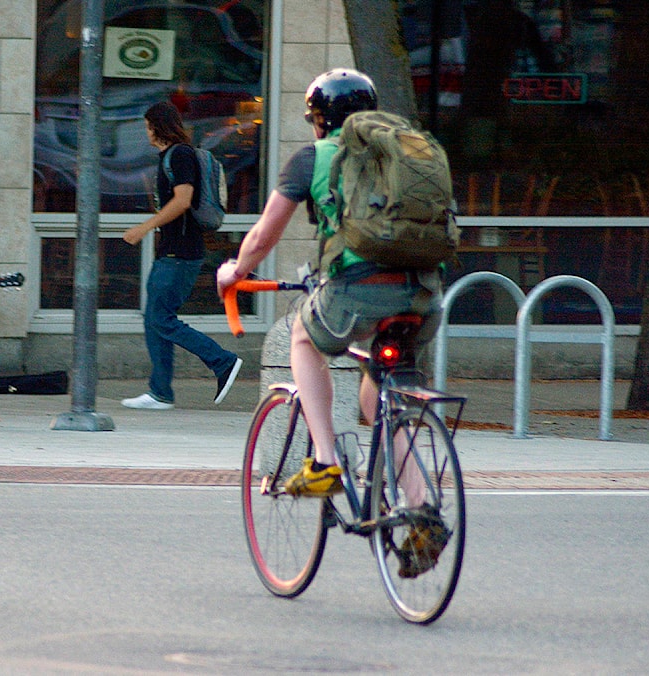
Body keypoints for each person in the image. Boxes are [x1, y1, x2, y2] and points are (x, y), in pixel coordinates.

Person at [216, 69, 444, 499]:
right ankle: (420, 508)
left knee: (303, 335)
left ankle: (325, 461)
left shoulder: (313, 157)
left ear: (320, 119)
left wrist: (235, 272)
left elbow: (264, 236)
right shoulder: (408, 151)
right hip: (423, 294)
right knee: (378, 397)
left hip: (356, 291)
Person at [121, 101, 243, 410]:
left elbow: (183, 200)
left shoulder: (181, 154)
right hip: (172, 252)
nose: (146, 132)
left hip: (181, 253)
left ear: (157, 126)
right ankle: (160, 392)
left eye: (148, 126)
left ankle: (223, 361)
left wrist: (144, 227)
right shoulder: (169, 157)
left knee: (161, 319)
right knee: (155, 320)